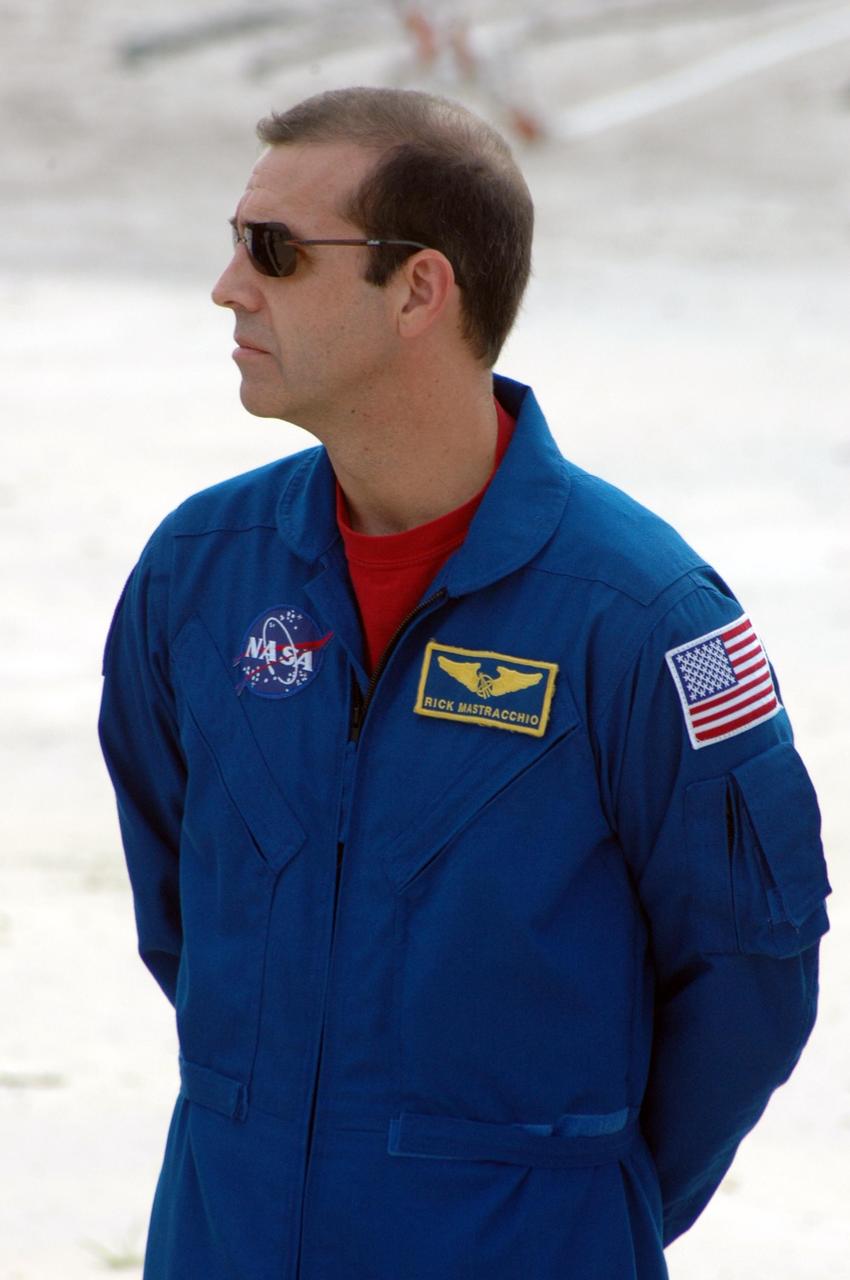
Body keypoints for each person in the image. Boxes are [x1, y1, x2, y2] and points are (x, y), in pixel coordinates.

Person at [98, 87, 830, 1280]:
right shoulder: (199, 577)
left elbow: (749, 975)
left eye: (273, 252)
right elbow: (178, 907)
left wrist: (566, 1199)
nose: (228, 287)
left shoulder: (642, 619)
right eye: (236, 244)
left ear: (420, 290)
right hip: (223, 1240)